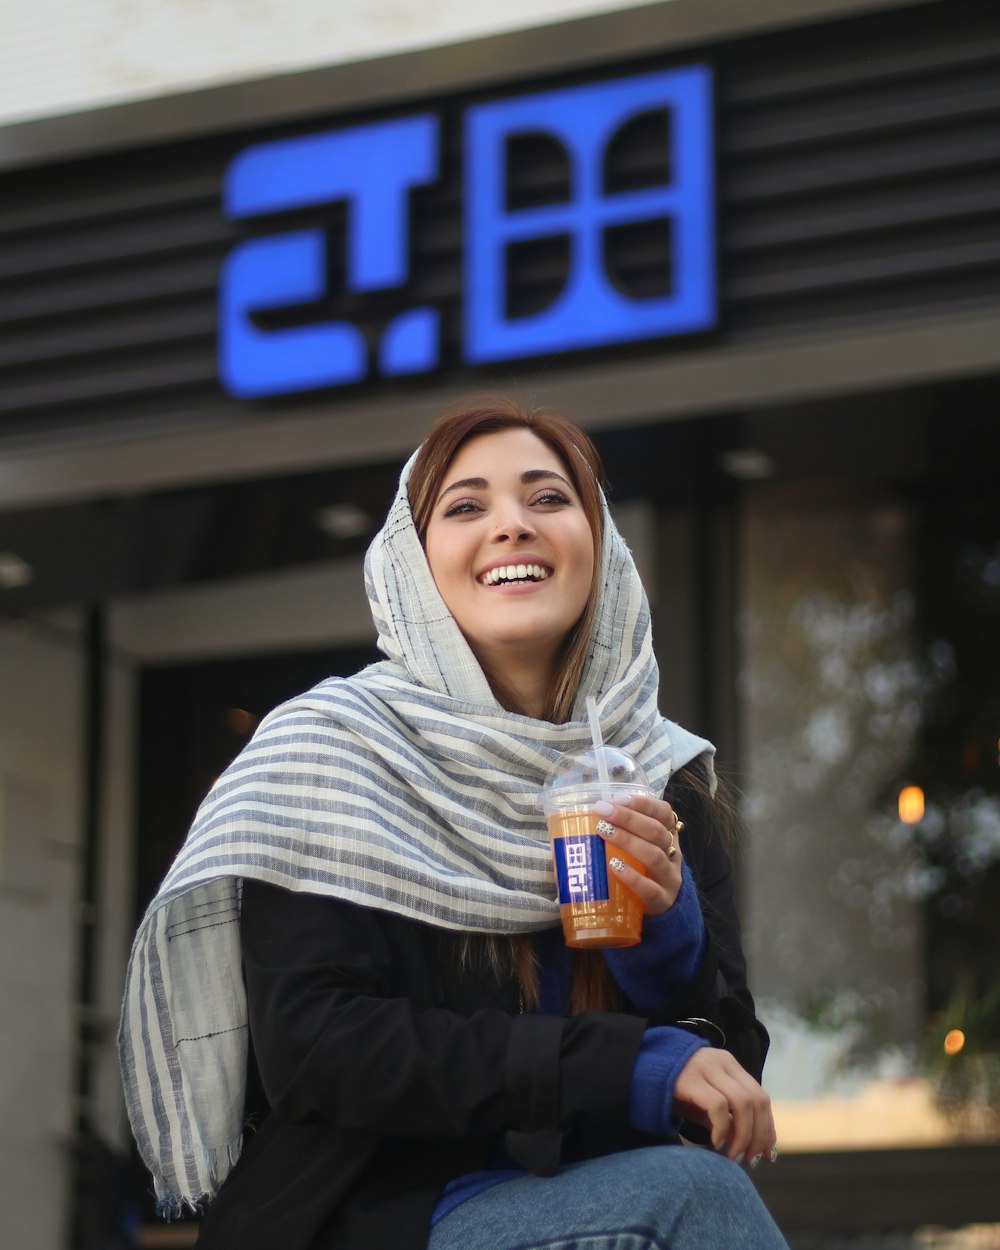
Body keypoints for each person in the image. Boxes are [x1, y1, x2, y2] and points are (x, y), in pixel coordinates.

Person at [119, 394, 789, 1250]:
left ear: (603, 545)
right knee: (693, 1201)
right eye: (466, 506)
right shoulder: (332, 751)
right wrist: (624, 1065)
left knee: (691, 1187)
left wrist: (664, 943)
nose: (512, 525)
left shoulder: (658, 770)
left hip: (597, 1202)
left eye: (549, 498)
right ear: (413, 560)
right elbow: (318, 1048)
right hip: (382, 1215)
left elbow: (726, 1075)